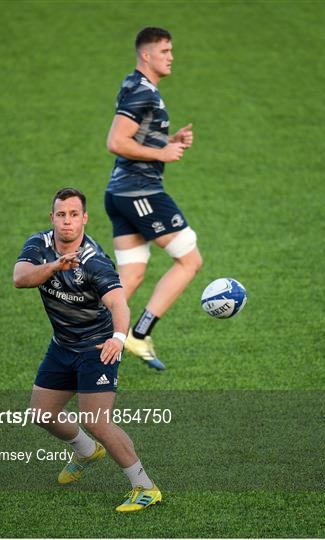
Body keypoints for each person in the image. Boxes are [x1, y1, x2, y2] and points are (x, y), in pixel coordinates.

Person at [13, 187, 161, 512]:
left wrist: (118, 339)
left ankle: (145, 486)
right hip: (62, 345)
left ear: (85, 219)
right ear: (52, 218)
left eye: (74, 215)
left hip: (98, 347)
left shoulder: (95, 262)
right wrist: (54, 266)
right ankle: (85, 451)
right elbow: (20, 278)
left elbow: (118, 303)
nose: (67, 221)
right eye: (61, 215)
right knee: (41, 413)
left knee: (96, 420)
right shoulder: (39, 245)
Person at [105, 26, 203, 371]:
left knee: (129, 277)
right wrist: (162, 154)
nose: (171, 57)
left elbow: (137, 136)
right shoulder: (143, 93)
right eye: (165, 51)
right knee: (190, 259)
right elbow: (117, 141)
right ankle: (140, 333)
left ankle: (81, 339)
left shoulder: (134, 84)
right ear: (146, 55)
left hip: (120, 193)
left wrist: (169, 140)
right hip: (140, 192)